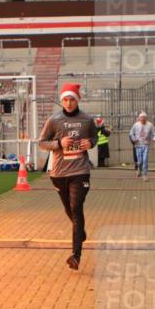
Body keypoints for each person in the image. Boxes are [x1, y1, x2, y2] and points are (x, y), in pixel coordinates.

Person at [38, 83, 99, 270]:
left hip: (80, 171)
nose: (69, 103)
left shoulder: (87, 120)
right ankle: (79, 231)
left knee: (76, 206)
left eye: (72, 99)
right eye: (65, 99)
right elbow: (41, 143)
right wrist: (59, 143)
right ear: (61, 101)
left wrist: (90, 143)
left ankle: (76, 255)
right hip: (59, 173)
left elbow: (95, 138)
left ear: (77, 100)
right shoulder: (54, 120)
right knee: (69, 210)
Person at [129, 111, 155, 181]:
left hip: (146, 144)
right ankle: (139, 169)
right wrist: (134, 139)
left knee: (145, 160)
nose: (143, 119)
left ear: (146, 118)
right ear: (139, 118)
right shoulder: (136, 125)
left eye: (144, 117)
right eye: (141, 117)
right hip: (138, 145)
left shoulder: (150, 125)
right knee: (140, 161)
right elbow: (131, 133)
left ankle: (144, 175)